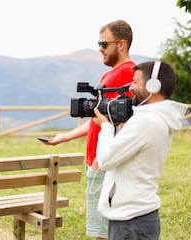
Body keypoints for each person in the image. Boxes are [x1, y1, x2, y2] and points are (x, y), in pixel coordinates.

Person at [42, 19, 135, 240]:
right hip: (96, 158)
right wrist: (64, 137)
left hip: (104, 160)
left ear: (121, 44)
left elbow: (126, 122)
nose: (100, 49)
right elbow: (99, 118)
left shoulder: (128, 72)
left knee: (102, 231)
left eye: (104, 44)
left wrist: (102, 158)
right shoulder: (109, 75)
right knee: (103, 227)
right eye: (99, 44)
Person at [92, 61, 188, 239]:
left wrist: (105, 127)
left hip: (130, 220)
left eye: (135, 82)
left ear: (153, 85)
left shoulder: (145, 122)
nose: (131, 87)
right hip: (139, 215)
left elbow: (105, 160)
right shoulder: (156, 119)